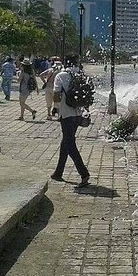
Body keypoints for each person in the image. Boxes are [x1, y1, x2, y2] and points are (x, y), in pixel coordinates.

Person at [51, 55, 90, 187]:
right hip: (78, 113)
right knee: (66, 141)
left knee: (70, 144)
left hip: (66, 114)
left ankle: (84, 173)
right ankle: (58, 172)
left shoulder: (60, 75)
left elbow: (56, 94)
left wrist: (55, 109)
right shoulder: (81, 75)